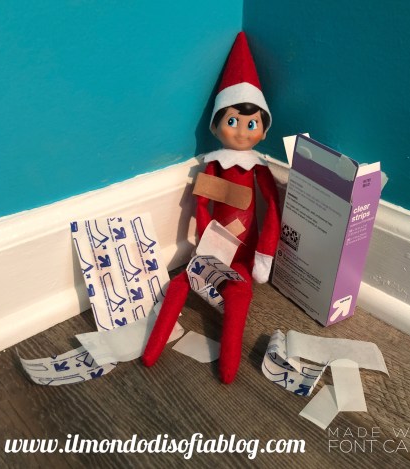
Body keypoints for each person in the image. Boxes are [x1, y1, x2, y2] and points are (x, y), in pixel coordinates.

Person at [142, 32, 280, 383]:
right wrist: (206, 241)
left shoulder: (259, 169)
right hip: (213, 247)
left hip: (244, 254)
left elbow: (272, 208)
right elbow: (201, 203)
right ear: (216, 127)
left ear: (263, 130)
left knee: (239, 295)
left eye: (252, 124)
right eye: (232, 121)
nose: (242, 132)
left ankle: (229, 367)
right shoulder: (214, 165)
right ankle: (151, 349)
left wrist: (264, 253)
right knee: (179, 285)